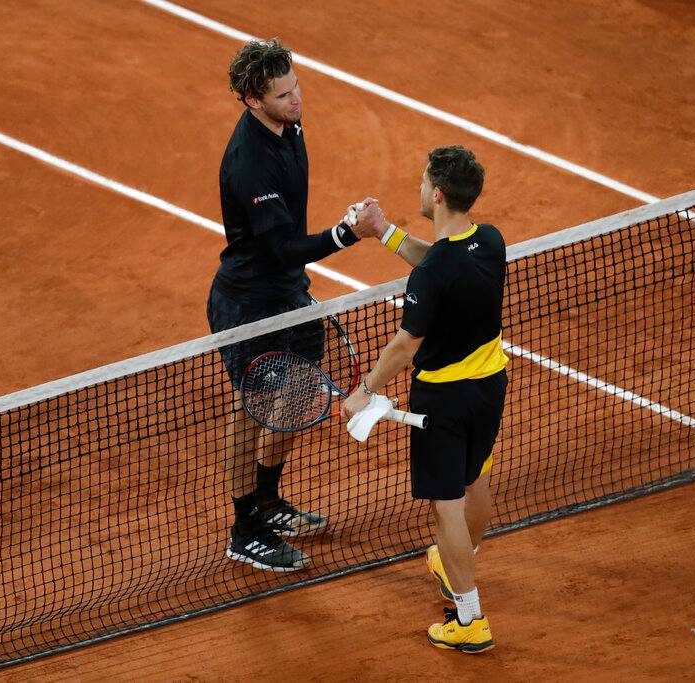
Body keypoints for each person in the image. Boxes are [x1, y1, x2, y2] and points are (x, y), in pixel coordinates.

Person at [208, 38, 379, 572]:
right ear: (251, 101)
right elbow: (281, 246)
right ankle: (244, 529)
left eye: (295, 86)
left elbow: (287, 252)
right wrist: (348, 233)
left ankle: (267, 500)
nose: (296, 100)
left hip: (288, 293)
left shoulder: (289, 124)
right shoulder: (248, 165)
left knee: (299, 386)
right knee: (250, 408)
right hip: (247, 306)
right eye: (282, 96)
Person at [342, 146, 508, 653]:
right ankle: (457, 560)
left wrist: (365, 391)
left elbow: (406, 343)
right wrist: (384, 230)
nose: (419, 188)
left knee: (445, 509)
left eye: (422, 182)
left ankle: (470, 619)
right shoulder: (490, 241)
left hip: (443, 400)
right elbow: (436, 263)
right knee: (475, 476)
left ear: (436, 194)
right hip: (491, 384)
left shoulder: (434, 274)